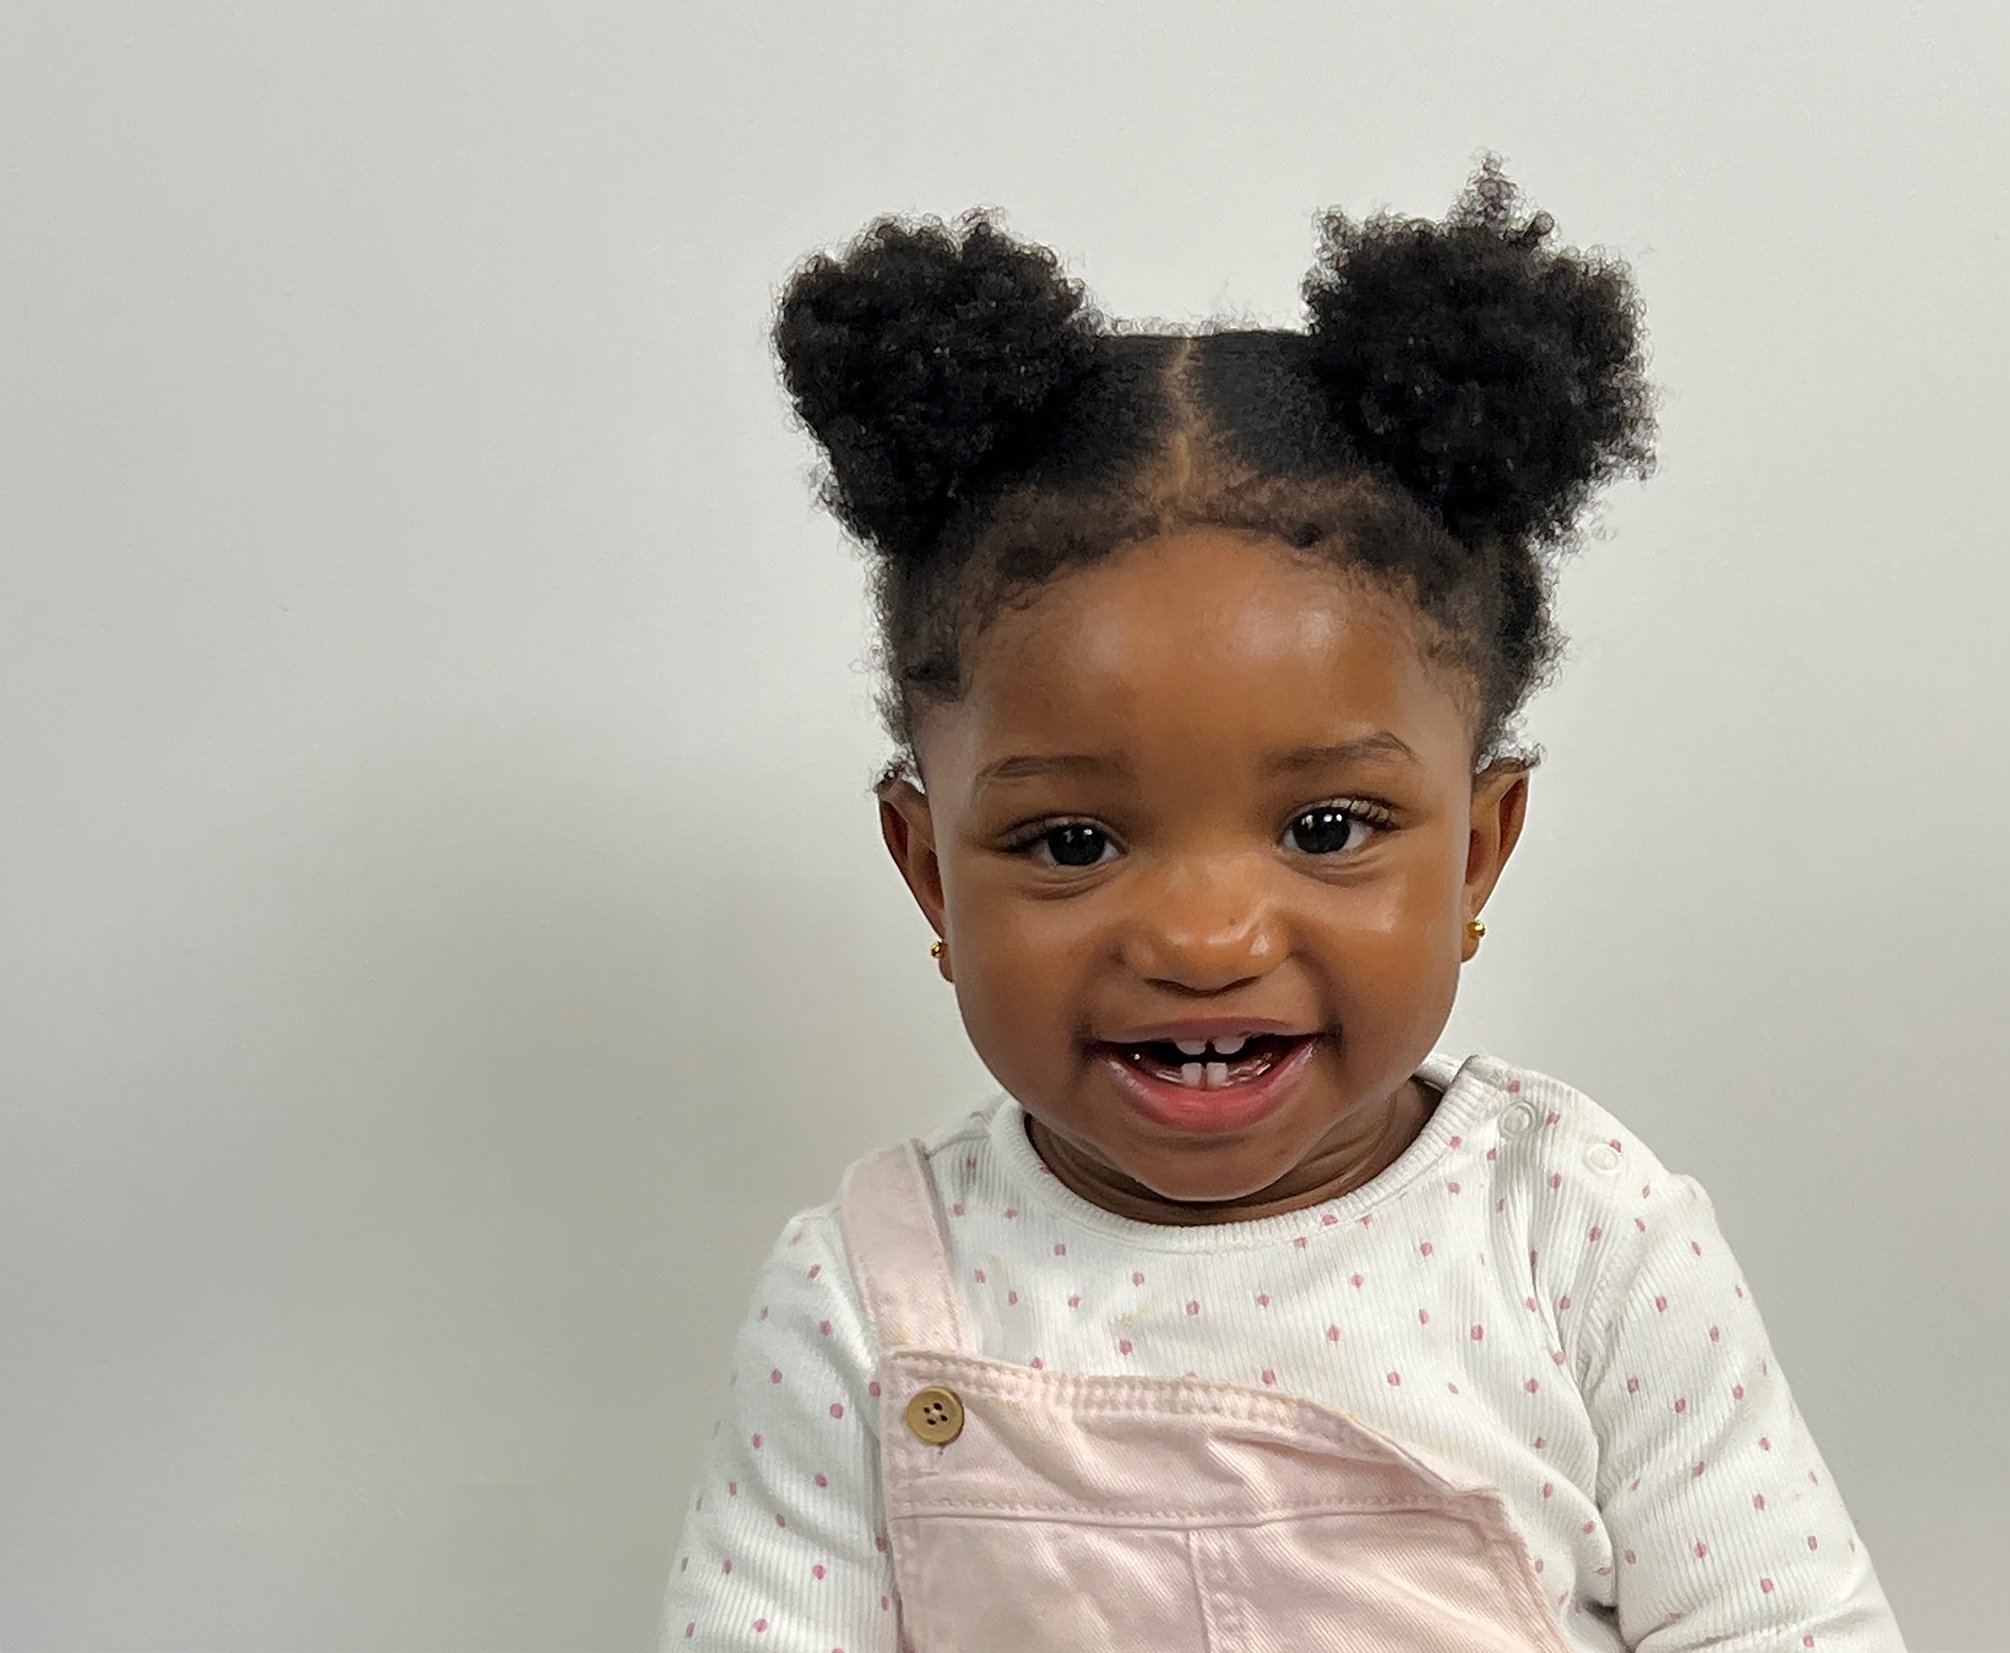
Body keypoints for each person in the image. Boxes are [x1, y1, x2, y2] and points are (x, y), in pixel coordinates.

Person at [657, 155, 1905, 1651]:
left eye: (1325, 826)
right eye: (1069, 841)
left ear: (1477, 854)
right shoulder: (869, 1299)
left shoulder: (1580, 1240)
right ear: (928, 867)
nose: (1201, 940)